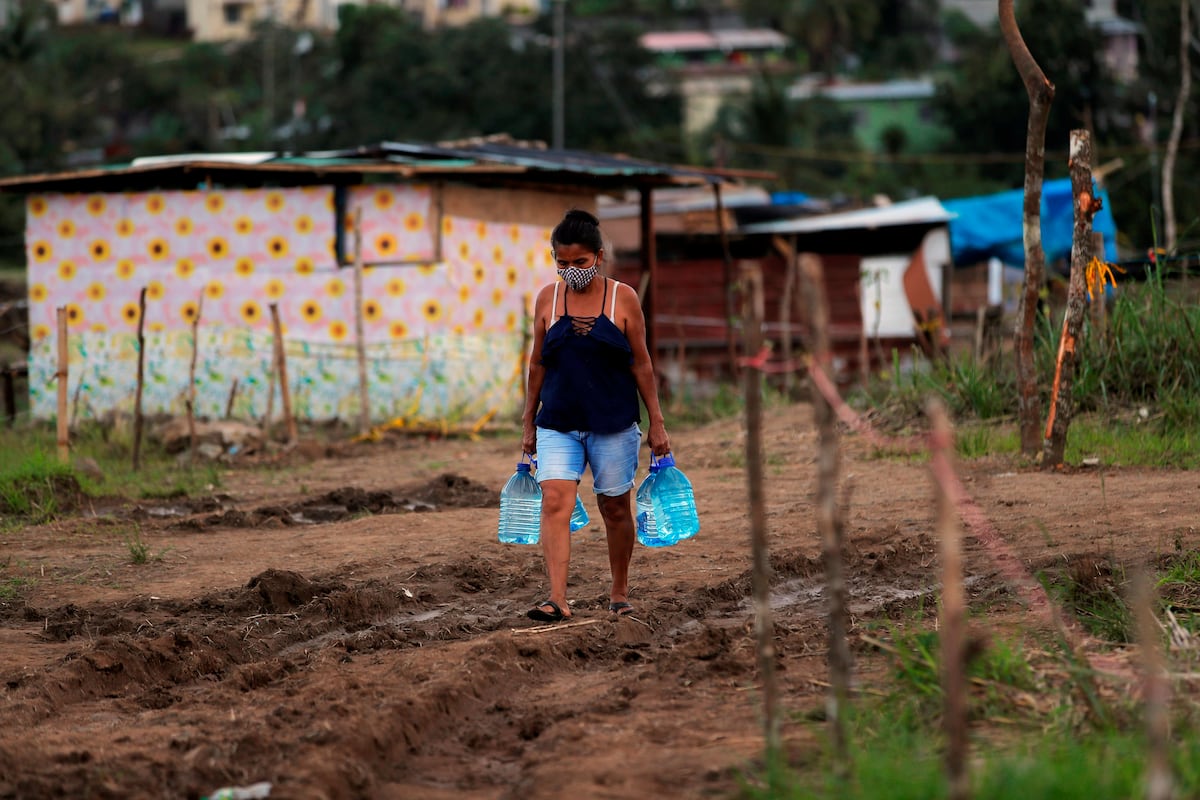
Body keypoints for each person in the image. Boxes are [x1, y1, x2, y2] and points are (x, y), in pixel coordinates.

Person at [520, 208, 671, 622]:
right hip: (558, 423)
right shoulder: (546, 299)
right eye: (562, 263)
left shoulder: (623, 298)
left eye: (580, 263)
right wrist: (528, 420)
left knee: (615, 508)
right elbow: (537, 364)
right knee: (554, 500)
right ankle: (557, 598)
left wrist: (656, 423)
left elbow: (641, 363)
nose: (571, 271)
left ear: (599, 257)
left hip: (613, 423)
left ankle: (619, 591)